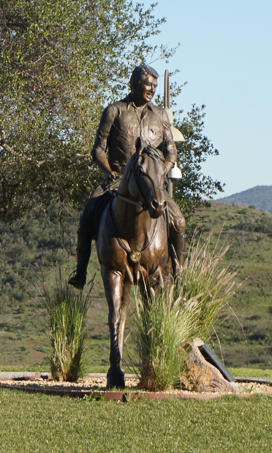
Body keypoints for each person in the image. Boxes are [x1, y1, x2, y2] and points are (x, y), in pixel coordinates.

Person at [68, 64, 186, 289]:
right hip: (117, 181)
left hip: (151, 185)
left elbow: (171, 151)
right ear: (134, 84)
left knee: (178, 221)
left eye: (154, 86)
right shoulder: (114, 110)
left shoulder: (161, 115)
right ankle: (80, 272)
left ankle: (179, 271)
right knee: (85, 218)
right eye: (147, 85)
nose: (151, 89)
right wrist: (109, 172)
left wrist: (160, 172)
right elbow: (98, 150)